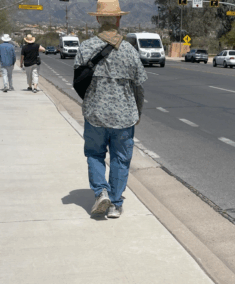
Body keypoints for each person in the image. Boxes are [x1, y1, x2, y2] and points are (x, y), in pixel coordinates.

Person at [74, 0, 147, 218]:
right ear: (118, 19)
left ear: (97, 18)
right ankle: (115, 203)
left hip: (95, 115)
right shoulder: (130, 51)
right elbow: (140, 87)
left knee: (95, 154)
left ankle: (101, 191)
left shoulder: (85, 48)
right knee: (120, 159)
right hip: (124, 117)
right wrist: (138, 113)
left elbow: (78, 82)